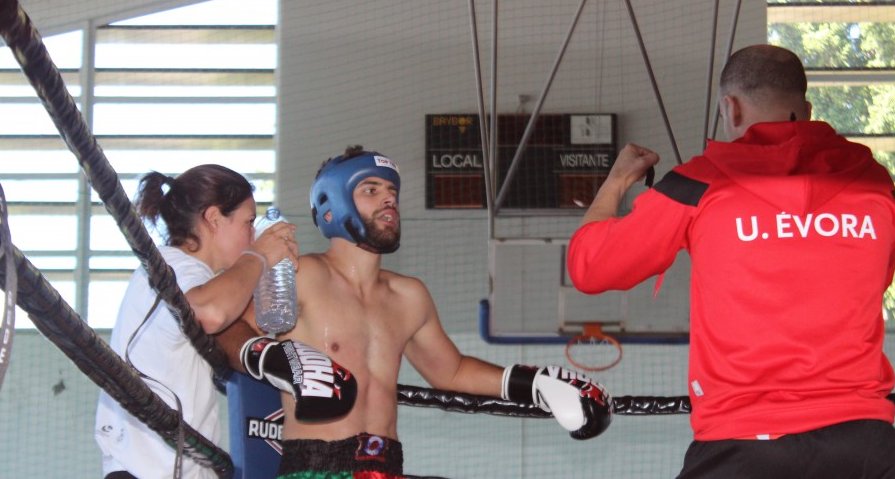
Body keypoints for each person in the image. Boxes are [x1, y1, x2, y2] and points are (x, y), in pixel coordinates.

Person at [567, 44, 895, 478]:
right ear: (806, 109)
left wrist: (618, 180)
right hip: (867, 448)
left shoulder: (699, 183)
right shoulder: (874, 182)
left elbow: (588, 266)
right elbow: (875, 281)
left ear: (730, 108)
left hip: (743, 444)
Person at [216, 146, 613, 478]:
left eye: (392, 190)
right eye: (370, 189)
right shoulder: (300, 275)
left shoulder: (409, 296)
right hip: (315, 465)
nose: (389, 198)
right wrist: (268, 356)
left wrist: (537, 384)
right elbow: (227, 329)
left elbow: (451, 371)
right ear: (331, 204)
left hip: (387, 465)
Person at [95, 164, 298, 479]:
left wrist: (274, 283)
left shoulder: (189, 274)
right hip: (150, 469)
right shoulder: (174, 267)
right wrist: (259, 255)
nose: (252, 234)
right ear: (214, 218)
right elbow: (210, 313)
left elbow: (229, 320)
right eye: (247, 222)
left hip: (168, 466)